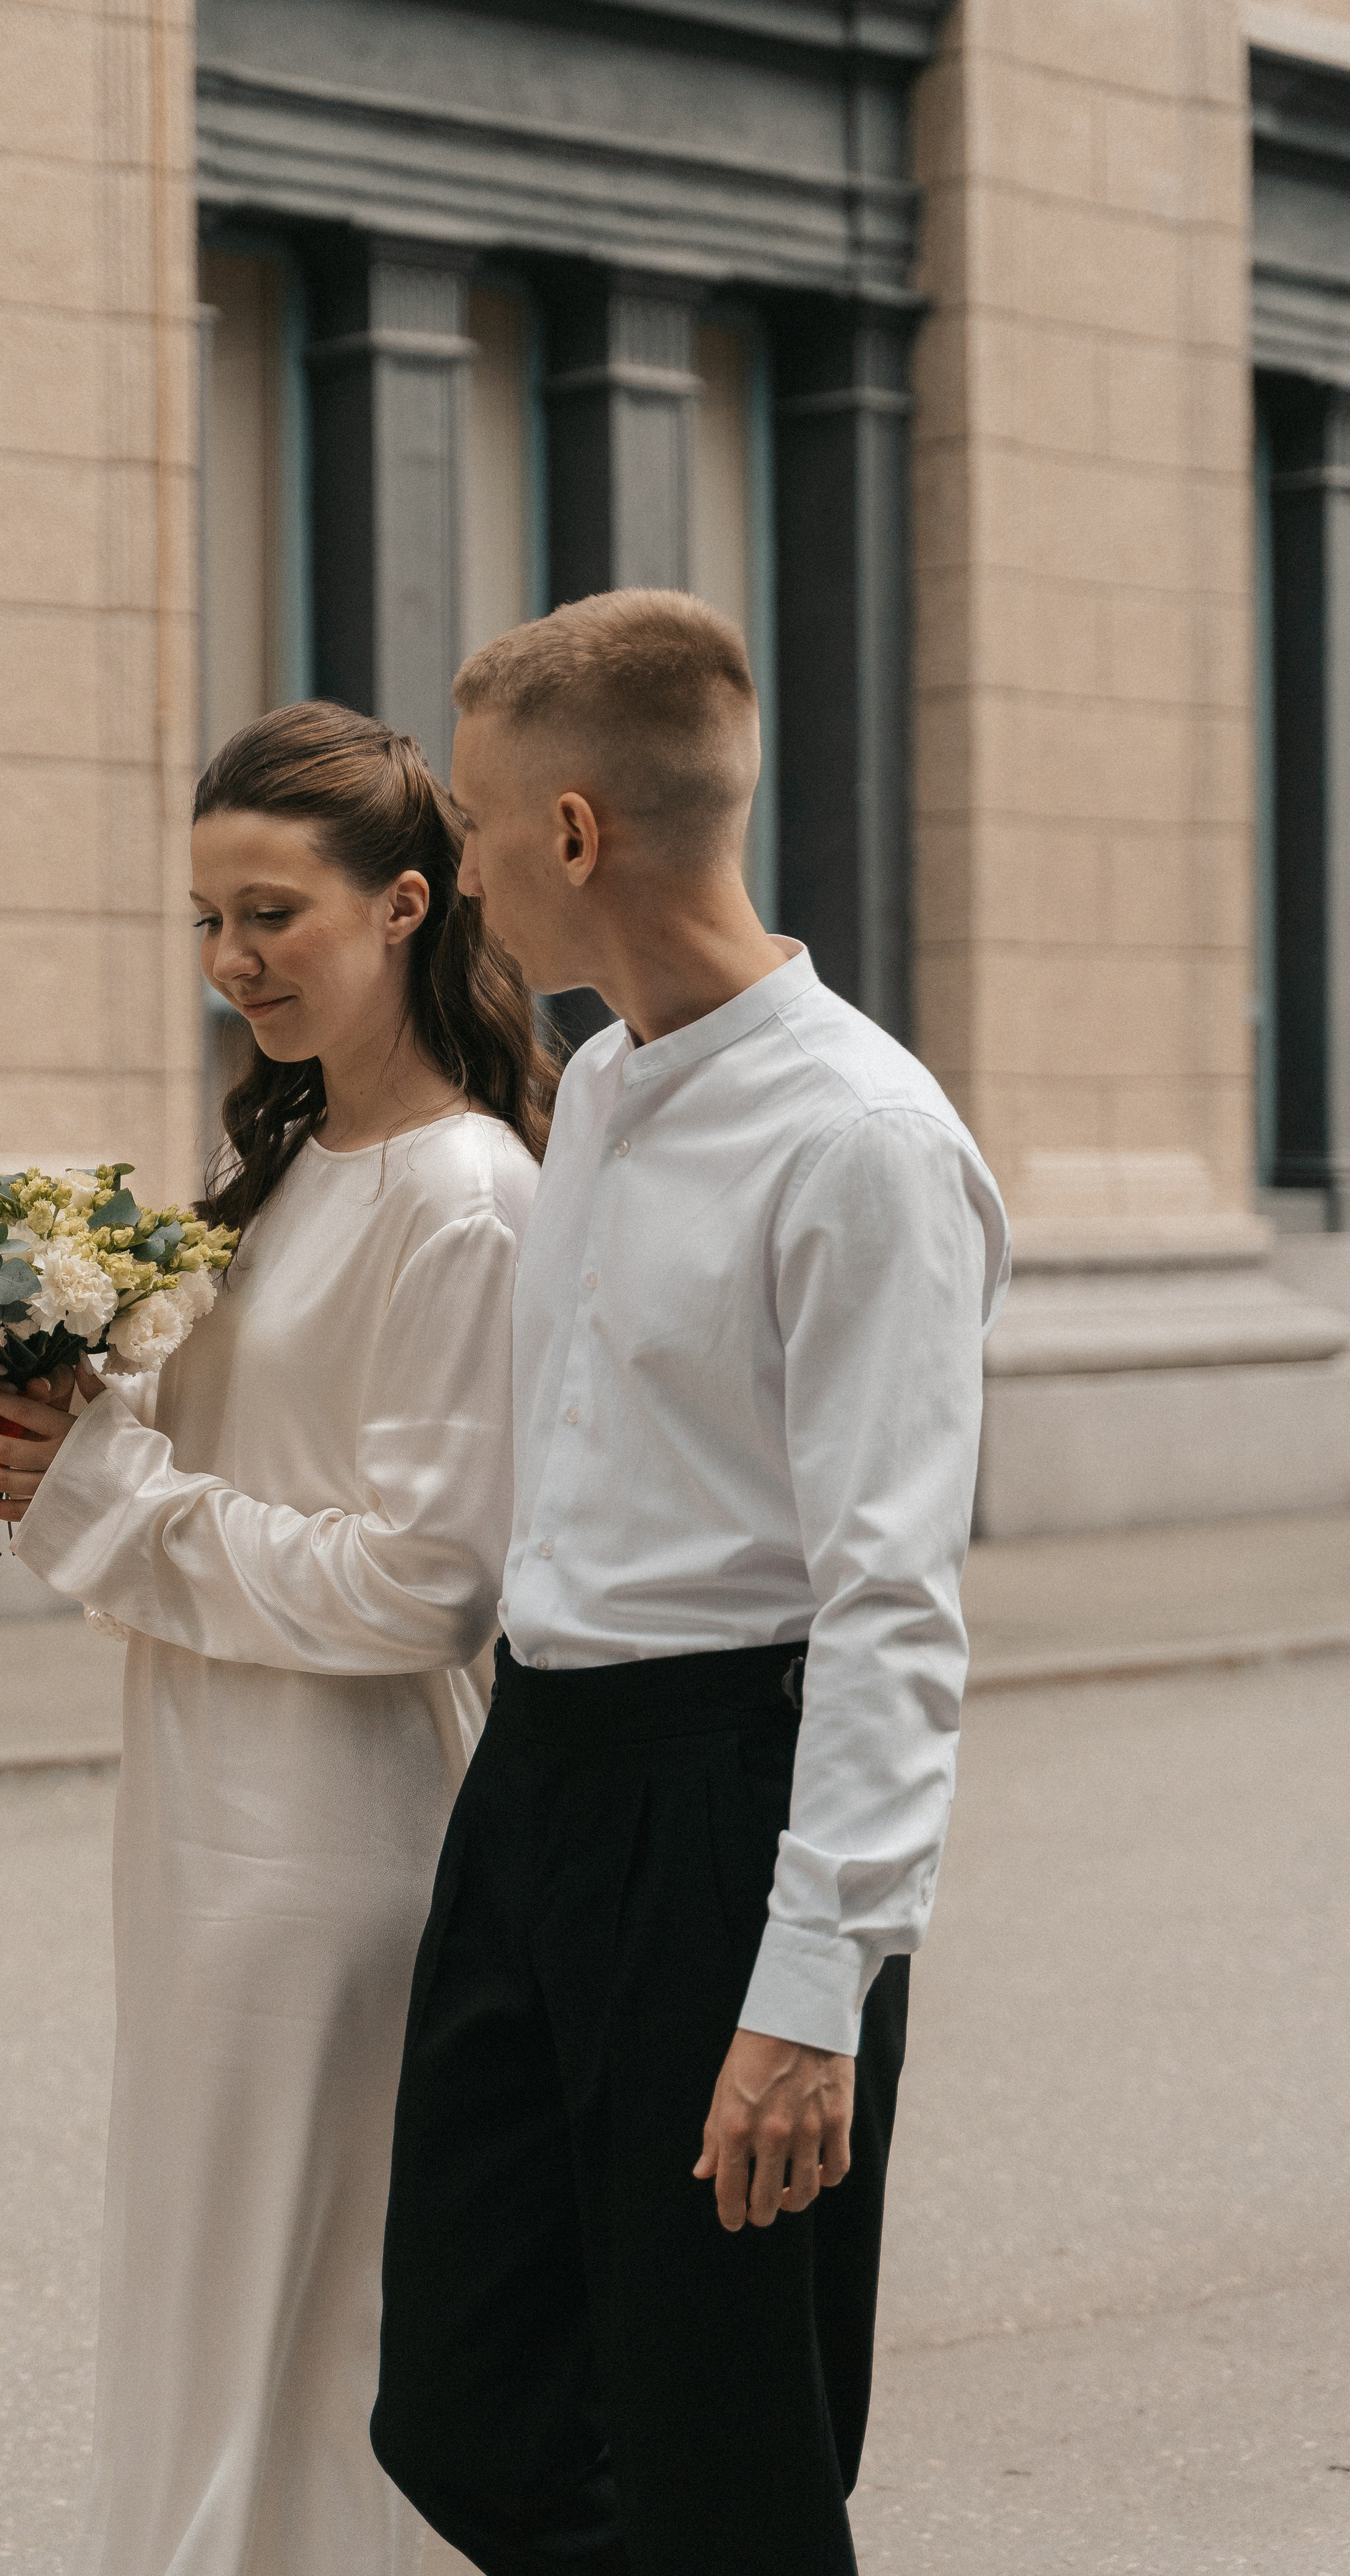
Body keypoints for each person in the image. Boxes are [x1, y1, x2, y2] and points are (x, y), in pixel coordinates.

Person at [369, 591, 1010, 2576]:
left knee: (726, 2448)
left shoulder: (864, 1143)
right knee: (463, 2411)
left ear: (573, 835)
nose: (454, 874)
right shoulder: (613, 1086)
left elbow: (897, 1603)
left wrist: (813, 1989)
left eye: (473, 826)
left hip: (728, 1797)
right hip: (542, 1780)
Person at [0, 703, 551, 2576]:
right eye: (207, 921)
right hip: (201, 1799)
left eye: (272, 914)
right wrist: (59, 1402)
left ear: (405, 907)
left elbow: (427, 1582)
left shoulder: (467, 1201)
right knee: (205, 2285)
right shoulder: (287, 1161)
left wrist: (104, 1507)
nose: (233, 963)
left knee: (308, 2319)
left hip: (338, 1841)